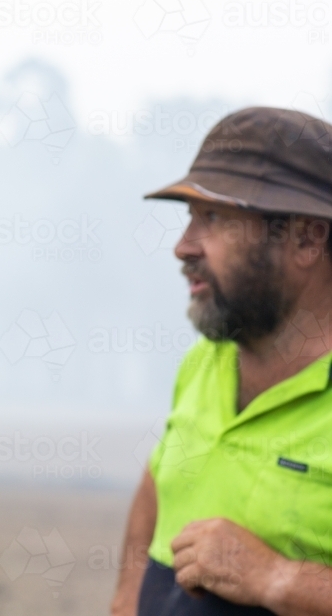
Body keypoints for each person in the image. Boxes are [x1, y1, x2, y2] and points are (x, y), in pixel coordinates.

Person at [111, 106, 332, 616]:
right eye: (188, 217)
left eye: (212, 217)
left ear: (305, 237)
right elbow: (157, 482)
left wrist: (279, 578)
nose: (182, 246)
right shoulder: (205, 361)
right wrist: (127, 598)